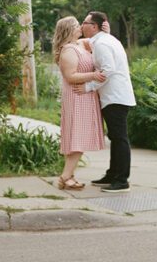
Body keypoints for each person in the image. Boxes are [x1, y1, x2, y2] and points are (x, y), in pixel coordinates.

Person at [75, 11, 136, 193]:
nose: (82, 25)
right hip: (114, 96)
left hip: (115, 97)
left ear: (94, 26)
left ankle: (121, 180)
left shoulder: (102, 44)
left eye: (84, 22)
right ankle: (112, 174)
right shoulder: (106, 40)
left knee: (119, 138)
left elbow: (108, 70)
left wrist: (88, 87)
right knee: (116, 138)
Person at [51, 16, 106, 190]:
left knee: (78, 138)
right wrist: (93, 76)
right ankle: (65, 177)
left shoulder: (80, 44)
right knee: (78, 138)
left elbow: (98, 40)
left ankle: (69, 175)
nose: (80, 28)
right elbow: (70, 76)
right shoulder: (68, 50)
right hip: (76, 97)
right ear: (68, 30)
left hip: (85, 96)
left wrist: (106, 30)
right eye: (76, 26)